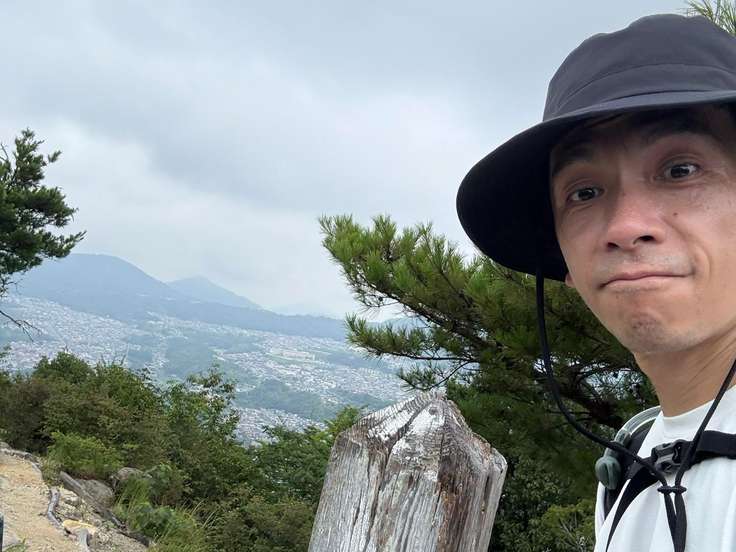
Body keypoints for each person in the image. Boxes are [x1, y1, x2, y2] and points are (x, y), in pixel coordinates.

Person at [456, 14, 736, 552]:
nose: (625, 227)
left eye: (680, 170)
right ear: (564, 262)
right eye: (584, 193)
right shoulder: (630, 465)